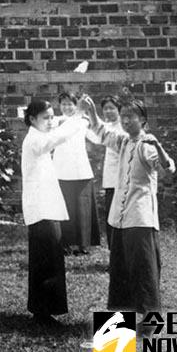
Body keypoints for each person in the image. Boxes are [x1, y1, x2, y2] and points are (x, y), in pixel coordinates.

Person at [80, 95, 175, 325]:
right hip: (119, 219)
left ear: (142, 119)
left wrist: (159, 148)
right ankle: (117, 329)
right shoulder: (123, 141)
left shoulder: (147, 145)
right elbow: (103, 133)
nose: (125, 121)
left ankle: (151, 321)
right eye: (123, 117)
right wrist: (93, 114)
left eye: (130, 117)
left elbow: (167, 170)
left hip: (140, 220)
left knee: (143, 272)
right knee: (119, 273)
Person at [21, 99, 87, 327]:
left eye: (52, 116)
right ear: (32, 119)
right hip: (40, 210)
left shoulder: (38, 134)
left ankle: (45, 310)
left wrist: (70, 118)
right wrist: (77, 116)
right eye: (46, 118)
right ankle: (42, 313)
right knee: (45, 261)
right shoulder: (35, 140)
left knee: (51, 260)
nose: (51, 121)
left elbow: (59, 125)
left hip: (46, 207)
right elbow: (58, 136)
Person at [52, 92, 100, 255]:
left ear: (76, 105)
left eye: (70, 104)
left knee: (82, 208)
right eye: (63, 104)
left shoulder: (83, 121)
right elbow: (60, 133)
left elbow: (97, 139)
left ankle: (83, 245)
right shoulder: (56, 121)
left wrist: (92, 116)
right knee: (65, 208)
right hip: (61, 170)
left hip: (80, 170)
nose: (66, 107)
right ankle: (64, 243)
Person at [98, 96, 124, 247]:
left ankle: (120, 251)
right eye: (105, 108)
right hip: (110, 181)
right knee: (111, 217)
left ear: (119, 109)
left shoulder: (121, 128)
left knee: (119, 217)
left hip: (121, 181)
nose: (108, 111)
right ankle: (113, 251)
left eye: (111, 108)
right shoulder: (108, 125)